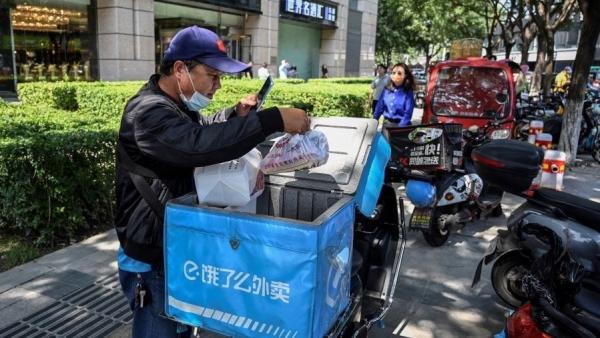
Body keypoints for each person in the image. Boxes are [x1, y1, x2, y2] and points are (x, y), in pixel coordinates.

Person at [115, 26, 310, 338]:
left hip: (175, 243)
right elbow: (196, 145)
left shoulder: (176, 105)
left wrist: (236, 115)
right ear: (180, 69)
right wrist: (271, 120)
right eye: (212, 75)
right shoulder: (147, 112)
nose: (217, 85)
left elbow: (201, 130)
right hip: (151, 257)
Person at [373, 62, 416, 127]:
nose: (396, 75)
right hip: (386, 126)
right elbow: (378, 109)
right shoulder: (386, 90)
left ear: (405, 75)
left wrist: (399, 128)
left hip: (402, 127)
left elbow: (408, 113)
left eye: (399, 73)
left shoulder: (408, 92)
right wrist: (373, 123)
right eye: (393, 73)